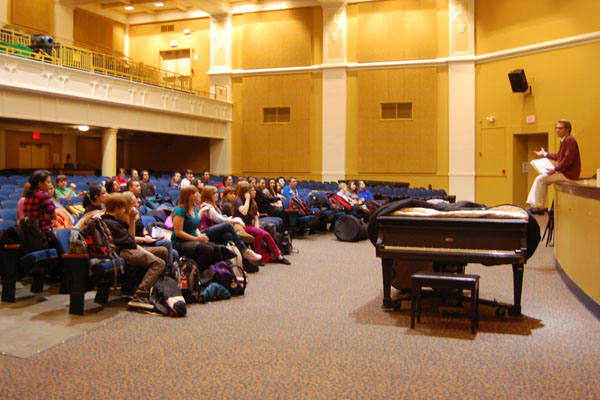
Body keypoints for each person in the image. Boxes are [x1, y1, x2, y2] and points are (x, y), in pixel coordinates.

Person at [101, 193, 167, 310]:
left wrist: (131, 219)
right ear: (117, 208)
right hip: (121, 253)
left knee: (163, 251)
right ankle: (140, 294)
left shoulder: (115, 220)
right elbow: (130, 243)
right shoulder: (111, 223)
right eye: (123, 208)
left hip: (128, 249)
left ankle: (156, 286)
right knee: (159, 263)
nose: (124, 211)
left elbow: (130, 238)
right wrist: (148, 254)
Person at [526, 119, 581, 214]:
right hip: (564, 172)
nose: (557, 130)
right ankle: (532, 204)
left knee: (541, 179)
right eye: (556, 128)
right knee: (540, 178)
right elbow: (558, 156)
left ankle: (538, 207)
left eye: (560, 128)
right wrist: (545, 154)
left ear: (567, 129)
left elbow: (568, 159)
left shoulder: (569, 140)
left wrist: (555, 169)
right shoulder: (564, 141)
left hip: (569, 174)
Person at [199, 186, 262, 261]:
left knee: (228, 236)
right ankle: (245, 250)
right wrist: (235, 220)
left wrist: (233, 219)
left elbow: (220, 217)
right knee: (229, 224)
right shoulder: (207, 205)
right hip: (204, 230)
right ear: (209, 195)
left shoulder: (214, 205)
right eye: (214, 193)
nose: (217, 195)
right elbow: (218, 219)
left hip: (213, 228)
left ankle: (233, 263)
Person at [234, 182, 291, 264]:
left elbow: (256, 219)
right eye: (252, 190)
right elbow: (243, 212)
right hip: (240, 226)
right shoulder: (238, 201)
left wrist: (257, 228)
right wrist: (247, 199)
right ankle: (257, 256)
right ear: (246, 193)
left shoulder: (253, 203)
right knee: (260, 233)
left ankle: (278, 256)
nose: (255, 192)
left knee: (266, 234)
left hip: (249, 226)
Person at [170, 185, 223, 270]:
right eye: (195, 193)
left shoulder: (194, 208)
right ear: (188, 196)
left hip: (193, 238)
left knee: (216, 248)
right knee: (208, 250)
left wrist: (199, 235)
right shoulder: (180, 210)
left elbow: (195, 226)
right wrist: (196, 239)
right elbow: (178, 232)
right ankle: (195, 273)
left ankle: (218, 272)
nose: (198, 194)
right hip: (180, 242)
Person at [23, 169, 56, 240]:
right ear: (40, 183)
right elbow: (54, 216)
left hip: (31, 232)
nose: (50, 184)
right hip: (44, 232)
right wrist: (46, 214)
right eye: (48, 182)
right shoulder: (42, 195)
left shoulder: (29, 194)